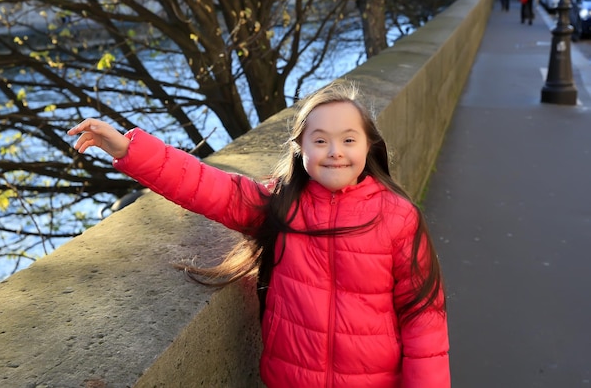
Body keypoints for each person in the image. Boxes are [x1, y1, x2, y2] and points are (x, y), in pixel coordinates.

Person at [68, 82, 450, 388]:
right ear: (300, 148)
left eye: (349, 140)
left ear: (370, 145)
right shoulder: (280, 207)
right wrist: (129, 149)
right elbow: (205, 185)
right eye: (320, 140)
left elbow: (424, 321)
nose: (335, 151)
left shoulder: (398, 217)